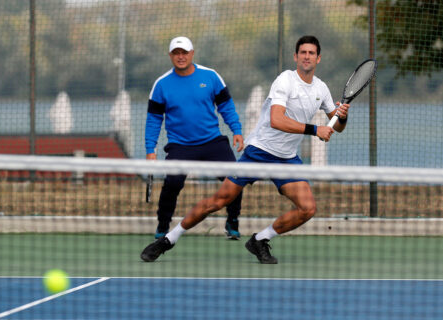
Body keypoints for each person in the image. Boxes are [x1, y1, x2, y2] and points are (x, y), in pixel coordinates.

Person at [141, 35, 350, 264]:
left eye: (311, 53)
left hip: (287, 158)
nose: (307, 57)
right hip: (258, 152)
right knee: (218, 201)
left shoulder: (321, 88)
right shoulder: (285, 80)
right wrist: (315, 129)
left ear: (318, 58)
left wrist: (342, 116)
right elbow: (276, 120)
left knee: (307, 208)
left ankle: (260, 239)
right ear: (295, 56)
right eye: (303, 53)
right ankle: (168, 239)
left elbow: (337, 127)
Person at [145, 36, 244, 240]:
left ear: (192, 53)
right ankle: (163, 225)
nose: (180, 57)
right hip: (180, 146)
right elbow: (154, 120)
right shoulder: (161, 84)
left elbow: (226, 107)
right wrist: (150, 150)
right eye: (176, 53)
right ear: (170, 56)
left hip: (212, 142)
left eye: (184, 52)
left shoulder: (211, 76)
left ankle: (232, 222)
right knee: (171, 184)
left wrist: (236, 130)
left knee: (235, 178)